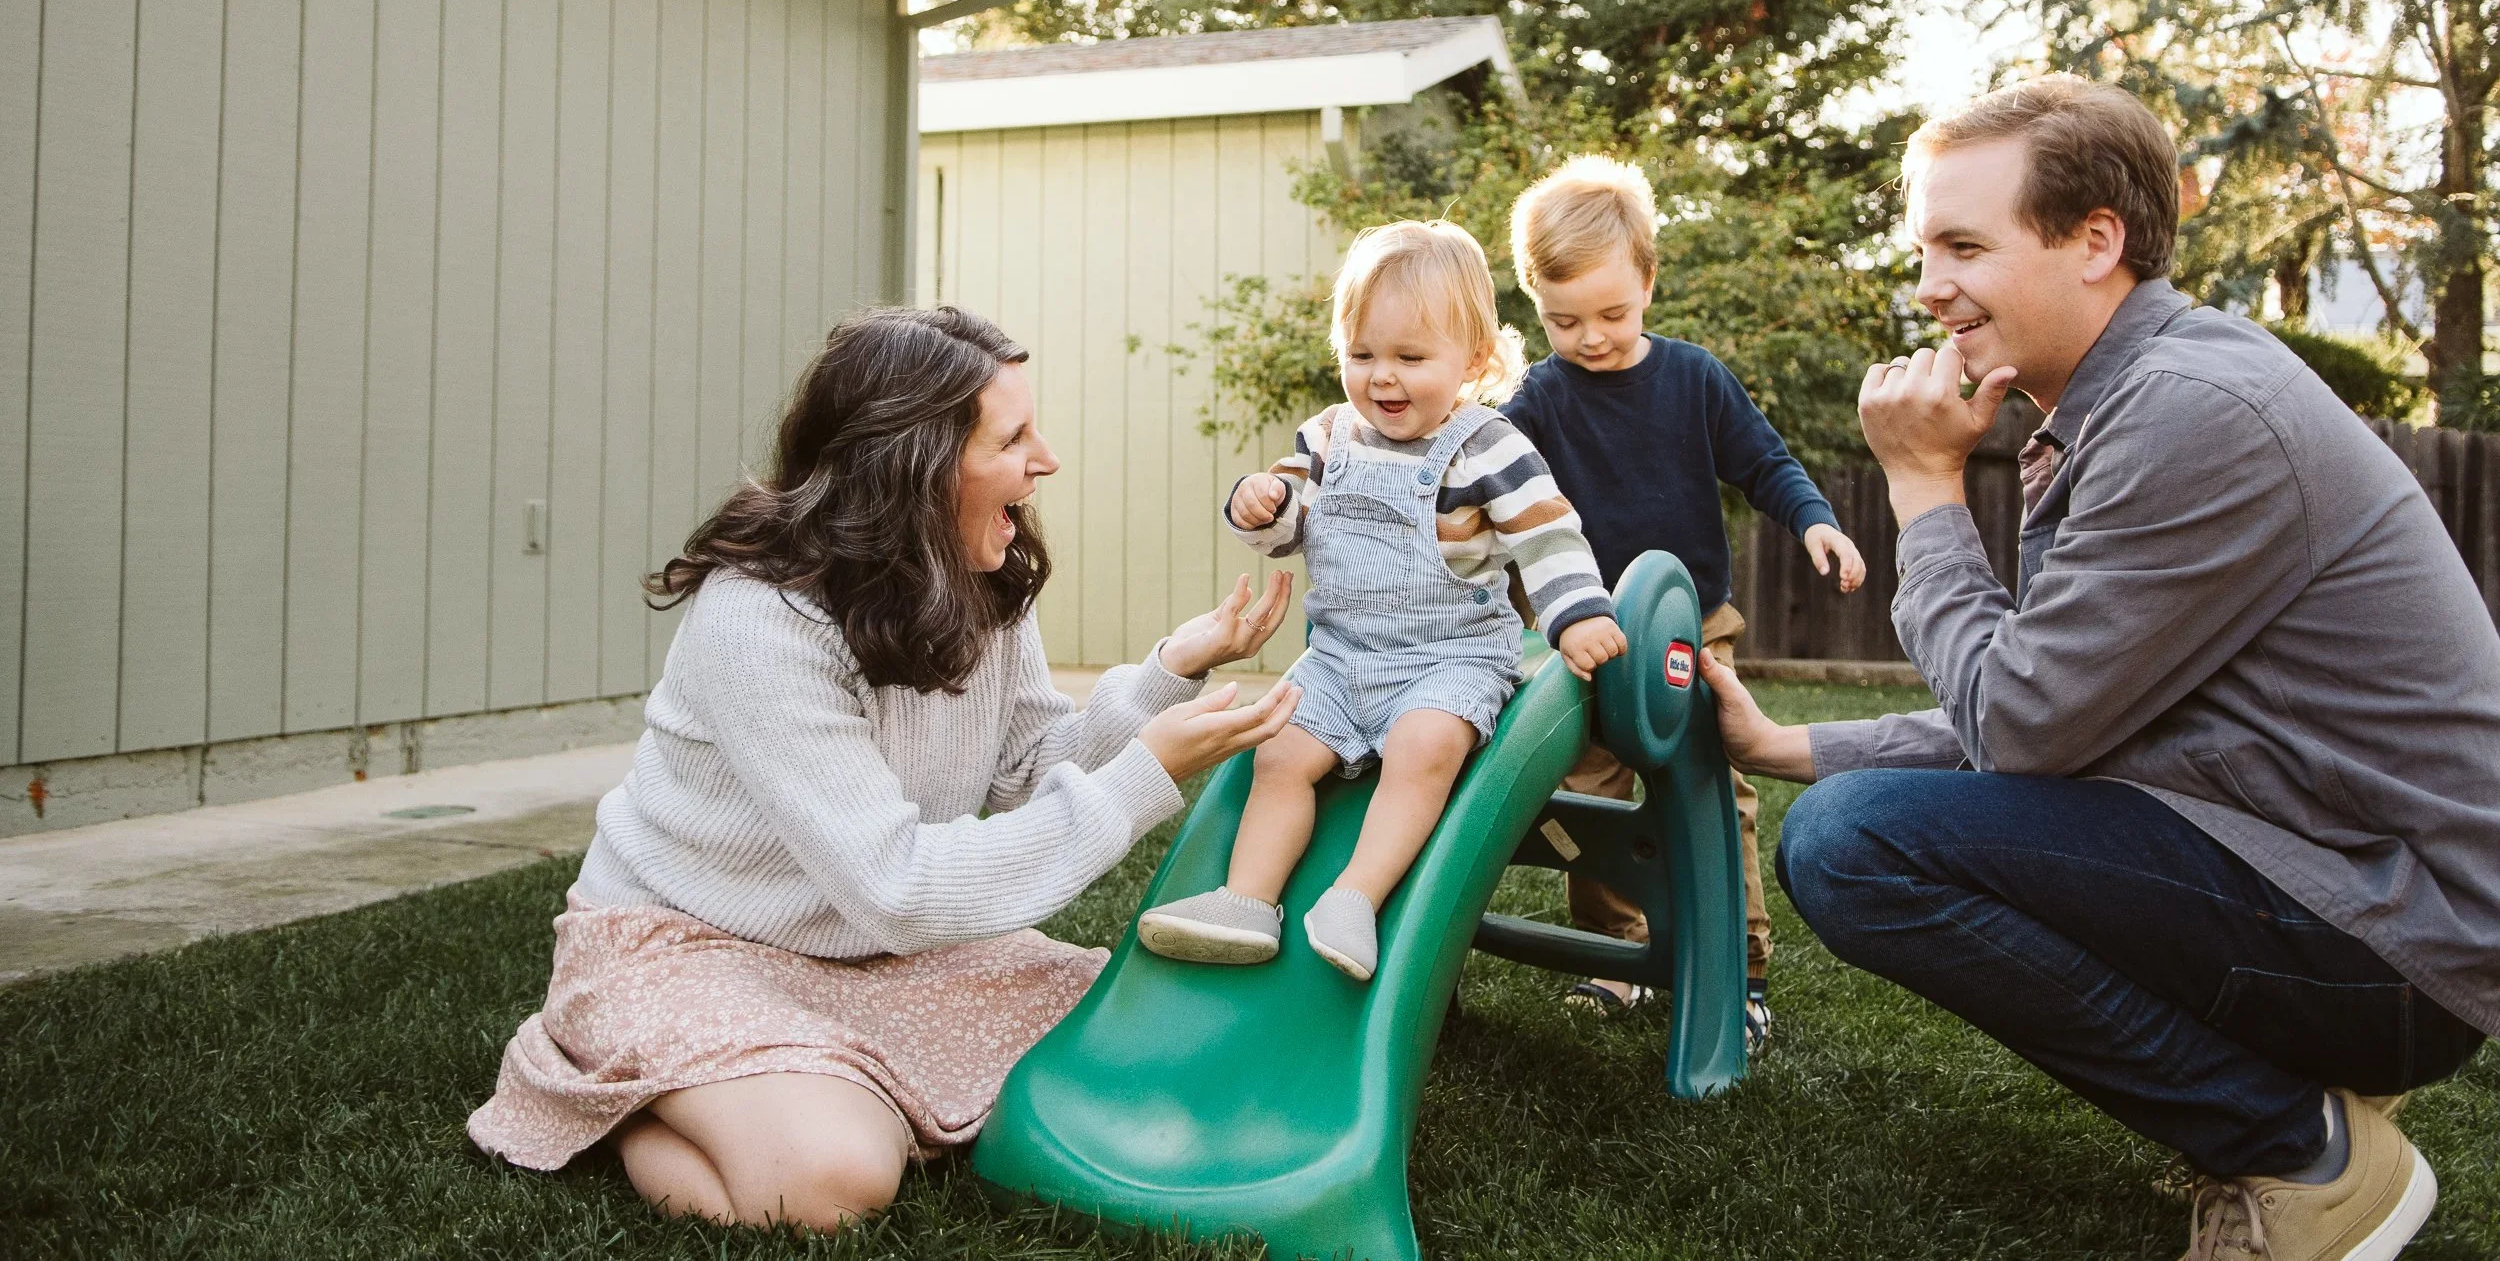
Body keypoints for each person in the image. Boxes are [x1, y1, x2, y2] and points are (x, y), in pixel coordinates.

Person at [1710, 76, 2500, 1261]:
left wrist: (1924, 489)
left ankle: (2302, 1147)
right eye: (1925, 248)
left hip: (2394, 942)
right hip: (2324, 876)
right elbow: (2066, 712)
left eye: (1963, 244)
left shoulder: (2190, 410)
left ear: (2095, 241)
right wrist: (1791, 746)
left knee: (1853, 845)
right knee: (1845, 808)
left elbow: (2021, 728)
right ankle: (2290, 1102)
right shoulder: (2127, 396)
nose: (1929, 287)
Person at [467, 306, 1305, 1232]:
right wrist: (1143, 775)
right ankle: (622, 1096)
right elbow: (899, 885)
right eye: (1014, 437)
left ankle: (810, 1075)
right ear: (914, 464)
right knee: (831, 1181)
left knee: (1134, 1035)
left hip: (867, 948)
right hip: (684, 945)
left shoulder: (983, 578)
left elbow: (1026, 767)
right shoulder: (759, 620)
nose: (1048, 459)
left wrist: (1166, 678)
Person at [1135, 221, 1625, 984]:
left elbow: (1548, 533)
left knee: (1423, 747)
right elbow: (1290, 528)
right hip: (1338, 658)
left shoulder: (1486, 444)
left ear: (1476, 360)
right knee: (1278, 752)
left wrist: (1579, 613)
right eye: (1361, 355)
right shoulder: (1330, 435)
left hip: (1449, 658)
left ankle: (1356, 897)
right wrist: (1260, 506)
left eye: (1409, 357)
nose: (1382, 378)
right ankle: (1247, 900)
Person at [1500, 156, 1867, 1041]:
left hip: (1691, 630)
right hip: (1589, 633)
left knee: (1713, 787)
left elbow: (1763, 461)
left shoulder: (1694, 379)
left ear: (1649, 281)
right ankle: (1610, 958)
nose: (1591, 337)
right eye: (1563, 320)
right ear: (1534, 303)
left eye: (1613, 314)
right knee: (1591, 792)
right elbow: (1489, 486)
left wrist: (1813, 518)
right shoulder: (1540, 400)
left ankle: (1737, 970)